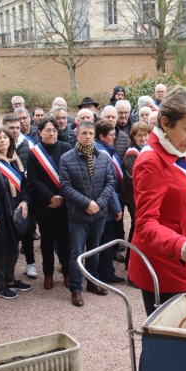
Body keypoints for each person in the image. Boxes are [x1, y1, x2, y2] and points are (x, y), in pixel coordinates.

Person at [128, 86, 186, 316]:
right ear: (165, 123)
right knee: (166, 338)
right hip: (162, 263)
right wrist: (179, 244)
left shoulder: (179, 150)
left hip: (180, 252)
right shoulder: (151, 162)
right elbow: (145, 223)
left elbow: (184, 208)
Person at [60, 121, 115, 307]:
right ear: (77, 135)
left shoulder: (103, 157)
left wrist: (98, 204)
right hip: (78, 214)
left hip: (98, 213)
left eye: (91, 133)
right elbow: (66, 187)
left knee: (94, 250)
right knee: (76, 252)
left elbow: (109, 183)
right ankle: (76, 288)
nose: (88, 136)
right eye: (84, 133)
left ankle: (92, 282)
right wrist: (87, 203)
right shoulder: (67, 158)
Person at [0, 126, 33, 299]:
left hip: (16, 210)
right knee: (0, 249)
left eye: (6, 137)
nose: (3, 140)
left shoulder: (14, 160)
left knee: (13, 248)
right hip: (0, 212)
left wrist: (25, 201)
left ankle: (10, 280)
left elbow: (24, 185)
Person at [27, 117, 72, 290]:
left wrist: (60, 196)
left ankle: (67, 273)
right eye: (47, 130)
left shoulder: (66, 148)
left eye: (54, 130)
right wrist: (50, 197)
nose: (51, 133)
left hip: (64, 203)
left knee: (64, 240)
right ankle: (48, 274)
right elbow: (33, 179)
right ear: (39, 132)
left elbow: (70, 176)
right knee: (46, 241)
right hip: (44, 205)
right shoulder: (34, 153)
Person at [4, 114, 38, 276]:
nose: (16, 131)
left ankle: (30, 262)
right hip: (5, 197)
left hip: (24, 194)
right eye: (11, 128)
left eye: (18, 127)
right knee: (8, 234)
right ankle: (6, 270)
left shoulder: (28, 144)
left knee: (26, 229)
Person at [93, 120, 125, 284]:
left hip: (103, 203)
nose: (114, 137)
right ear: (102, 136)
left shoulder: (103, 149)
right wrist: (117, 208)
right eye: (112, 135)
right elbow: (110, 184)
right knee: (106, 240)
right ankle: (106, 273)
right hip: (106, 205)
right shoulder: (102, 153)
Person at [121, 121, 150, 283]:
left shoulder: (148, 150)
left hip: (144, 197)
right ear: (133, 136)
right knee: (137, 229)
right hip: (134, 198)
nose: (143, 137)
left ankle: (139, 264)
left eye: (146, 134)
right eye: (140, 135)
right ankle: (130, 265)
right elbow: (133, 178)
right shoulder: (132, 153)